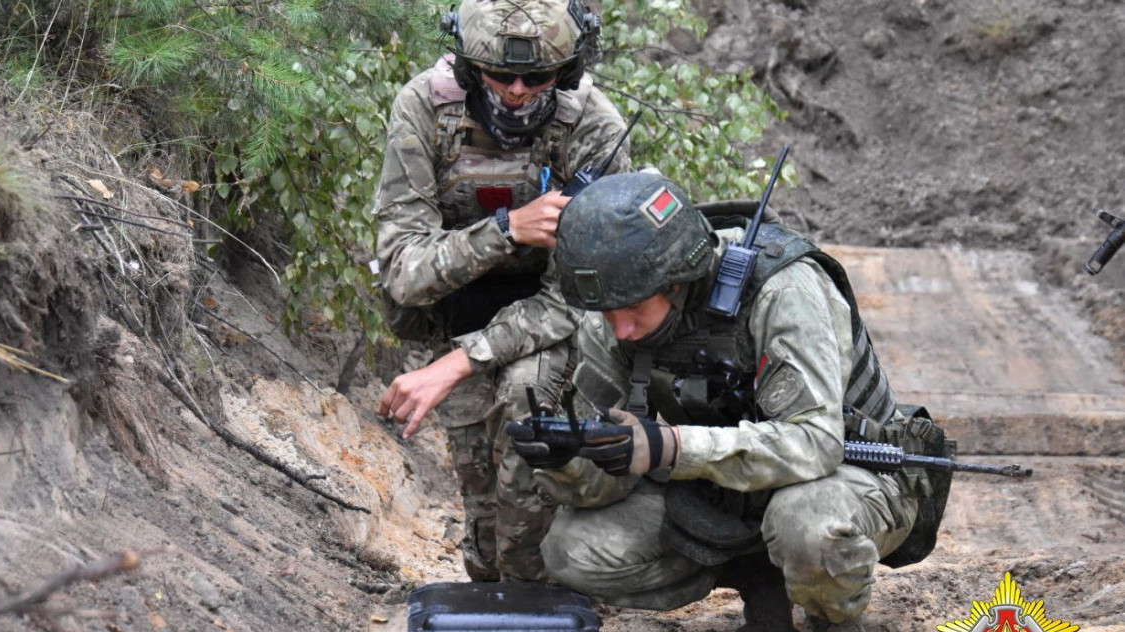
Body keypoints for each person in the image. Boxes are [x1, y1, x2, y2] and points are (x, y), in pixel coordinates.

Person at [509, 172, 942, 630]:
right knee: (572, 551)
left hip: (849, 475)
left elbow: (816, 442)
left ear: (676, 281)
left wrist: (670, 446)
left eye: (633, 309)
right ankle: (758, 574)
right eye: (607, 313)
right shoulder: (616, 306)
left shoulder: (784, 288)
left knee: (809, 529)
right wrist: (570, 458)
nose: (620, 329)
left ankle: (828, 615)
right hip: (724, 486)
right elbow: (606, 484)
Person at [373, 0, 631, 582]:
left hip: (553, 324)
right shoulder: (424, 109)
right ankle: (500, 584)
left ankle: (536, 594)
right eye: (500, 75)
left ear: (563, 72)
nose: (517, 90)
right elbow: (405, 272)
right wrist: (507, 230)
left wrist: (463, 363)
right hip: (456, 313)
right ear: (468, 67)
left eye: (537, 77)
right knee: (485, 535)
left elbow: (579, 295)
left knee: (527, 401)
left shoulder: (593, 127)